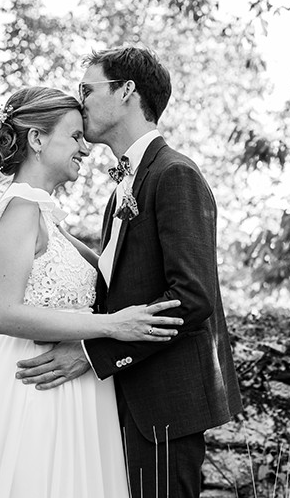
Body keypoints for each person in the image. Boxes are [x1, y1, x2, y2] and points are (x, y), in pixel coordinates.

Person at [0, 86, 183, 498]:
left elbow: (113, 272)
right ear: (37, 140)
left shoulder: (47, 217)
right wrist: (111, 326)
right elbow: (2, 313)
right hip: (34, 387)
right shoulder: (20, 208)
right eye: (75, 137)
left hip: (74, 384)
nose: (86, 149)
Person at [15, 46, 243, 497]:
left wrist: (91, 353)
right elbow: (112, 283)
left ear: (126, 91)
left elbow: (192, 299)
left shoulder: (175, 174)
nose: (79, 103)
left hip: (164, 405)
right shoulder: (124, 185)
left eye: (87, 89)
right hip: (118, 400)